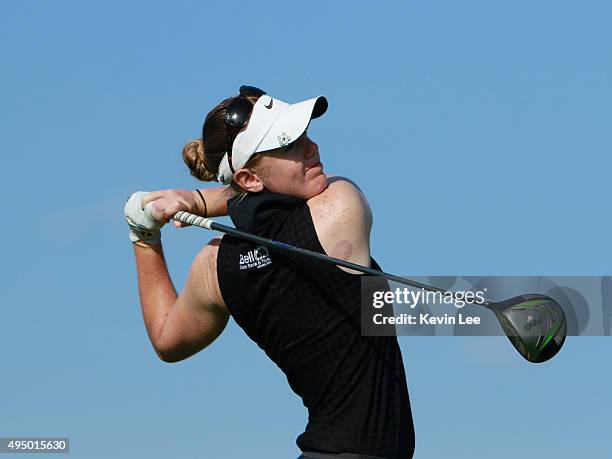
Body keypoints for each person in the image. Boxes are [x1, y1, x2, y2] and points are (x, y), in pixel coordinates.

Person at [124, 86, 415, 458]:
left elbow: (167, 339)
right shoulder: (339, 210)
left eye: (304, 135)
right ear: (247, 179)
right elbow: (267, 203)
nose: (311, 148)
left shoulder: (214, 265)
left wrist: (144, 237)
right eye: (288, 144)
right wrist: (199, 200)